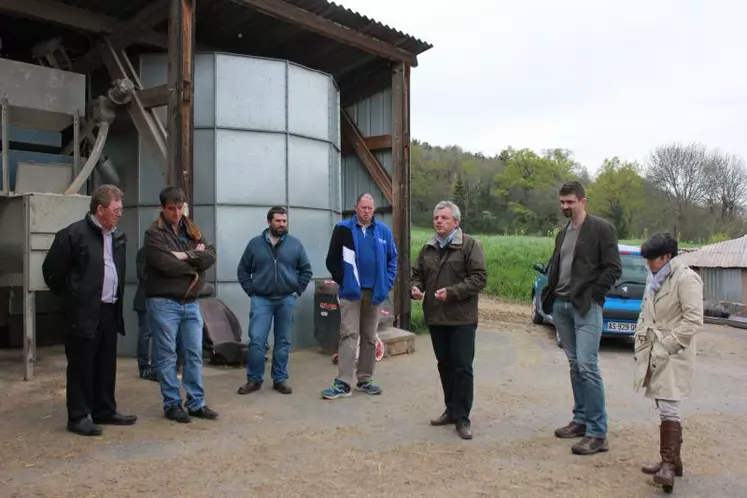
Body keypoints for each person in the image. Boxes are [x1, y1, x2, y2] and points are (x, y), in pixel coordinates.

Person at [42, 184, 137, 436]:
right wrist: (74, 297)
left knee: (106, 364)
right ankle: (78, 416)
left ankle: (104, 409)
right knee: (81, 365)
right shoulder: (73, 235)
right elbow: (51, 273)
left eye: (121, 208)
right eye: (116, 209)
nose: (120, 213)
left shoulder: (117, 236)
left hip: (109, 309)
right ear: (100, 209)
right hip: (82, 312)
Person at [540, 181, 622, 455]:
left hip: (586, 307)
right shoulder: (563, 233)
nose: (565, 206)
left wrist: (594, 296)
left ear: (583, 201)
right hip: (562, 306)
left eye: (570, 202)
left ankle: (598, 434)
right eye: (562, 202)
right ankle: (581, 420)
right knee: (575, 365)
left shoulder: (601, 228)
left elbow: (613, 268)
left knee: (588, 365)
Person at [411, 201, 487, 440]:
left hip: (461, 318)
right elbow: (417, 275)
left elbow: (479, 278)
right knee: (444, 365)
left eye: (444, 218)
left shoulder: (469, 245)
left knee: (462, 368)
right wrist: (415, 288)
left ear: (456, 221)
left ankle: (463, 418)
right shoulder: (427, 248)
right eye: (436, 218)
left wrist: (452, 292)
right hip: (435, 317)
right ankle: (451, 410)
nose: (439, 221)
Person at [634, 233, 703, 493]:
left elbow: (694, 320)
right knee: (661, 400)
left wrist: (668, 344)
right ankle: (676, 460)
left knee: (669, 406)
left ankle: (667, 465)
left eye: (652, 259)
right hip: (654, 349)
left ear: (667, 257)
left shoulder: (686, 279)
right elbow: (646, 310)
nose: (648, 263)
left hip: (674, 352)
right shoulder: (656, 277)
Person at [144, 186, 218, 423]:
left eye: (179, 208)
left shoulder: (192, 230)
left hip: (190, 302)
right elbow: (165, 264)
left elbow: (212, 255)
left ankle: (196, 403)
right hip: (164, 302)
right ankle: (172, 404)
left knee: (194, 353)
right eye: (171, 209)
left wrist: (184, 255)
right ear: (162, 209)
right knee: (167, 355)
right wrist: (195, 262)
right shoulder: (153, 234)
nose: (176, 213)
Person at [321, 193, 397, 399]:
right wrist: (344, 281)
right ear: (356, 208)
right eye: (363, 207)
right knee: (348, 334)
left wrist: (387, 282)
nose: (366, 211)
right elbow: (332, 260)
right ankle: (344, 383)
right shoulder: (344, 229)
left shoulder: (383, 231)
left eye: (370, 208)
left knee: (370, 337)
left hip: (375, 293)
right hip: (351, 293)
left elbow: (393, 259)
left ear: (374, 210)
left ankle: (365, 379)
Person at [236, 206, 313, 396]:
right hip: (261, 299)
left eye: (284, 221)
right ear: (269, 221)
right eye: (278, 221)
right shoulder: (255, 244)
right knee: (257, 341)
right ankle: (254, 379)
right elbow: (243, 270)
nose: (282, 224)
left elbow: (306, 270)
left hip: (286, 299)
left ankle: (280, 379)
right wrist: (251, 291)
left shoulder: (295, 244)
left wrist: (297, 290)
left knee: (283, 341)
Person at [133, 246, 157, 381]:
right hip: (145, 299)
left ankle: (156, 368)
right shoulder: (144, 251)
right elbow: (142, 274)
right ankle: (144, 368)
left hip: (160, 299)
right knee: (146, 333)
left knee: (159, 334)